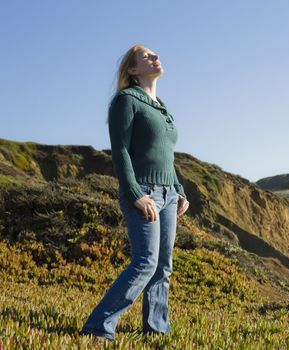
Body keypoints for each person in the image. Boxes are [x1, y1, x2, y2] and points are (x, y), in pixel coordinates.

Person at [80, 44, 190, 341]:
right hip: (144, 190)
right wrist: (134, 193)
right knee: (145, 263)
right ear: (132, 70)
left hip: (168, 194)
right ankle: (96, 329)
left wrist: (178, 189)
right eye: (147, 56)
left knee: (163, 267)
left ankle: (156, 330)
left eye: (155, 54)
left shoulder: (161, 107)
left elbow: (165, 155)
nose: (156, 57)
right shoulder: (125, 100)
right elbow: (121, 152)